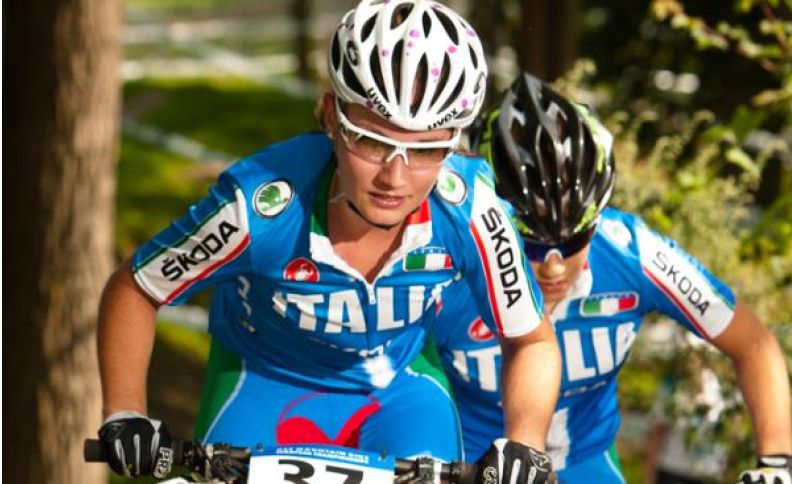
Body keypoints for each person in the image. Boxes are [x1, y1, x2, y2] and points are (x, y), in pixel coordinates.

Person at [95, 2, 561, 482]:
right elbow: (137, 288)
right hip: (264, 380)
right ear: (330, 118)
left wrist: (524, 443)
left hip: (400, 389)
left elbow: (531, 340)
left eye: (426, 150)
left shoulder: (471, 211)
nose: (394, 177)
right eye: (372, 142)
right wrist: (125, 412)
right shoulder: (258, 208)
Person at [431, 72, 792, 483]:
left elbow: (754, 343)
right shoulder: (451, 264)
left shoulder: (631, 251)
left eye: (574, 241)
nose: (554, 266)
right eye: (531, 246)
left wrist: (777, 463)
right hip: (473, 462)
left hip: (585, 462)